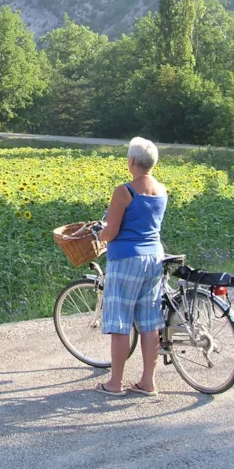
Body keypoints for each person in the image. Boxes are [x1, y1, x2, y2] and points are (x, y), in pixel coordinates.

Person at [94, 137, 168, 397]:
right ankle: (148, 381)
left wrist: (99, 233)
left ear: (132, 161)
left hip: (127, 259)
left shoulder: (124, 191)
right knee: (149, 322)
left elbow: (112, 232)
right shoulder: (161, 190)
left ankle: (115, 383)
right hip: (154, 258)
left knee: (120, 321)